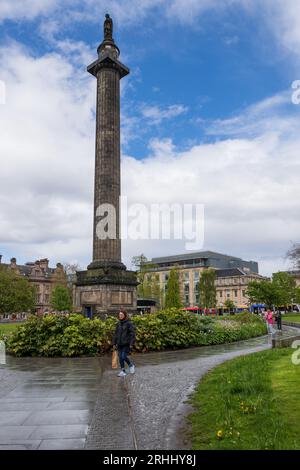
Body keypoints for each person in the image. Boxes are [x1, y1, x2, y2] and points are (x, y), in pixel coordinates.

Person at [113, 310, 136, 377]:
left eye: (121, 315)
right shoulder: (118, 324)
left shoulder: (129, 323)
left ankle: (131, 365)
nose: (120, 316)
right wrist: (114, 343)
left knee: (123, 356)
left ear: (125, 315)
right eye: (119, 315)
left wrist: (131, 343)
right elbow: (115, 334)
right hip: (119, 343)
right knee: (120, 357)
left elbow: (132, 334)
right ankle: (123, 371)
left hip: (126, 343)